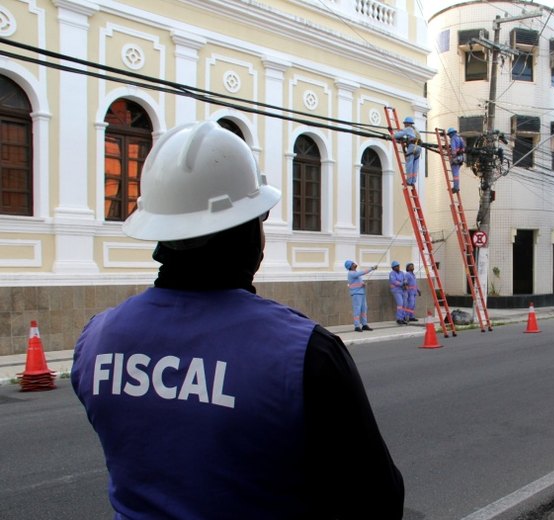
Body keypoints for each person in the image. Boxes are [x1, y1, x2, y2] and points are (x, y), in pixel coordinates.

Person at [70, 121, 403, 519]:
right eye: (259, 220)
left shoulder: (96, 340)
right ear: (247, 232)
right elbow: (377, 500)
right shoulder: (305, 355)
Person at [346, 260, 376, 332]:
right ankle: (356, 326)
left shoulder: (355, 273)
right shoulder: (351, 273)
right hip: (356, 294)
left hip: (361, 293)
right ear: (350, 266)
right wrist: (371, 268)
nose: (355, 264)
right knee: (357, 310)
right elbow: (362, 273)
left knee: (364, 309)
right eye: (353, 263)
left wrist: (362, 284)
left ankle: (364, 325)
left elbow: (357, 282)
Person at [394, 116, 422, 186]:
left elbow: (399, 134)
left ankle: (409, 181)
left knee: (409, 164)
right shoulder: (416, 129)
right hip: (419, 148)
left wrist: (392, 136)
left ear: (407, 123)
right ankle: (413, 181)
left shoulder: (408, 129)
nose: (404, 125)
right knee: (415, 165)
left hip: (412, 147)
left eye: (405, 124)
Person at [447, 127, 466, 193]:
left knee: (455, 174)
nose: (449, 136)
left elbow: (453, 149)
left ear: (451, 133)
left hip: (456, 158)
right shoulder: (460, 138)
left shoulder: (453, 138)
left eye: (449, 134)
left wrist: (453, 156)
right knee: (456, 173)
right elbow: (463, 148)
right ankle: (456, 186)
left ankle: (456, 187)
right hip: (461, 158)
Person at [389, 260, 408, 325]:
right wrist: (402, 283)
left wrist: (405, 283)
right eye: (396, 266)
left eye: (398, 266)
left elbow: (405, 279)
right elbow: (394, 281)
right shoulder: (392, 273)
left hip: (403, 290)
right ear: (393, 267)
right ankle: (399, 319)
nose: (398, 267)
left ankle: (403, 318)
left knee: (404, 304)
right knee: (400, 304)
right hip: (396, 290)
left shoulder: (402, 272)